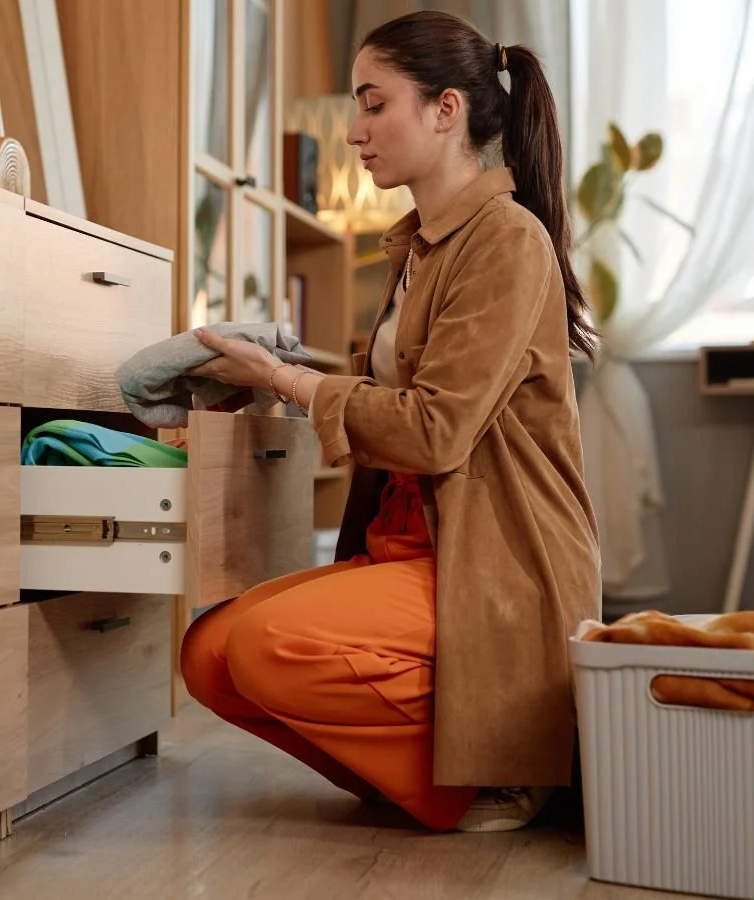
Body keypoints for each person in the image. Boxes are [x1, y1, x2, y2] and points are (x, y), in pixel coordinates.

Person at [178, 9, 601, 834]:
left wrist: (290, 380)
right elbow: (402, 405)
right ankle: (450, 766)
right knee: (209, 659)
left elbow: (436, 429)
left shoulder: (507, 240)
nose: (352, 132)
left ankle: (506, 768)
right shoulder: (420, 246)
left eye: (374, 104)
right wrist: (269, 382)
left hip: (489, 559)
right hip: (411, 542)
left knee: (264, 647)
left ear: (447, 110)